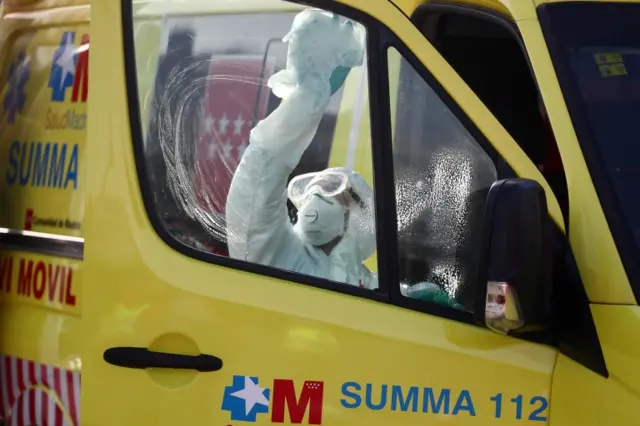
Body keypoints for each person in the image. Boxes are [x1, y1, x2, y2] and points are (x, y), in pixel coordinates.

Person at [225, 8, 462, 309]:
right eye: (315, 189)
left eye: (336, 192)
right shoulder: (280, 256)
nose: (318, 197)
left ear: (363, 219)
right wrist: (308, 98)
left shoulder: (371, 286)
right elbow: (259, 177)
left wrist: (423, 302)